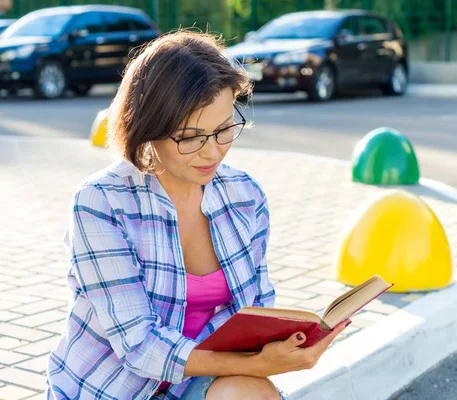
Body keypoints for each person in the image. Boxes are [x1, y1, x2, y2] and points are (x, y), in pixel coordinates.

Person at [45, 30, 350, 400]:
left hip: (194, 383)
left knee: (249, 392)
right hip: (110, 389)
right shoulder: (101, 202)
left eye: (223, 130)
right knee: (250, 381)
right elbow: (139, 346)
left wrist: (290, 344)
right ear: (148, 127)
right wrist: (253, 365)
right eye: (190, 137)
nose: (212, 153)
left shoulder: (244, 196)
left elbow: (254, 310)